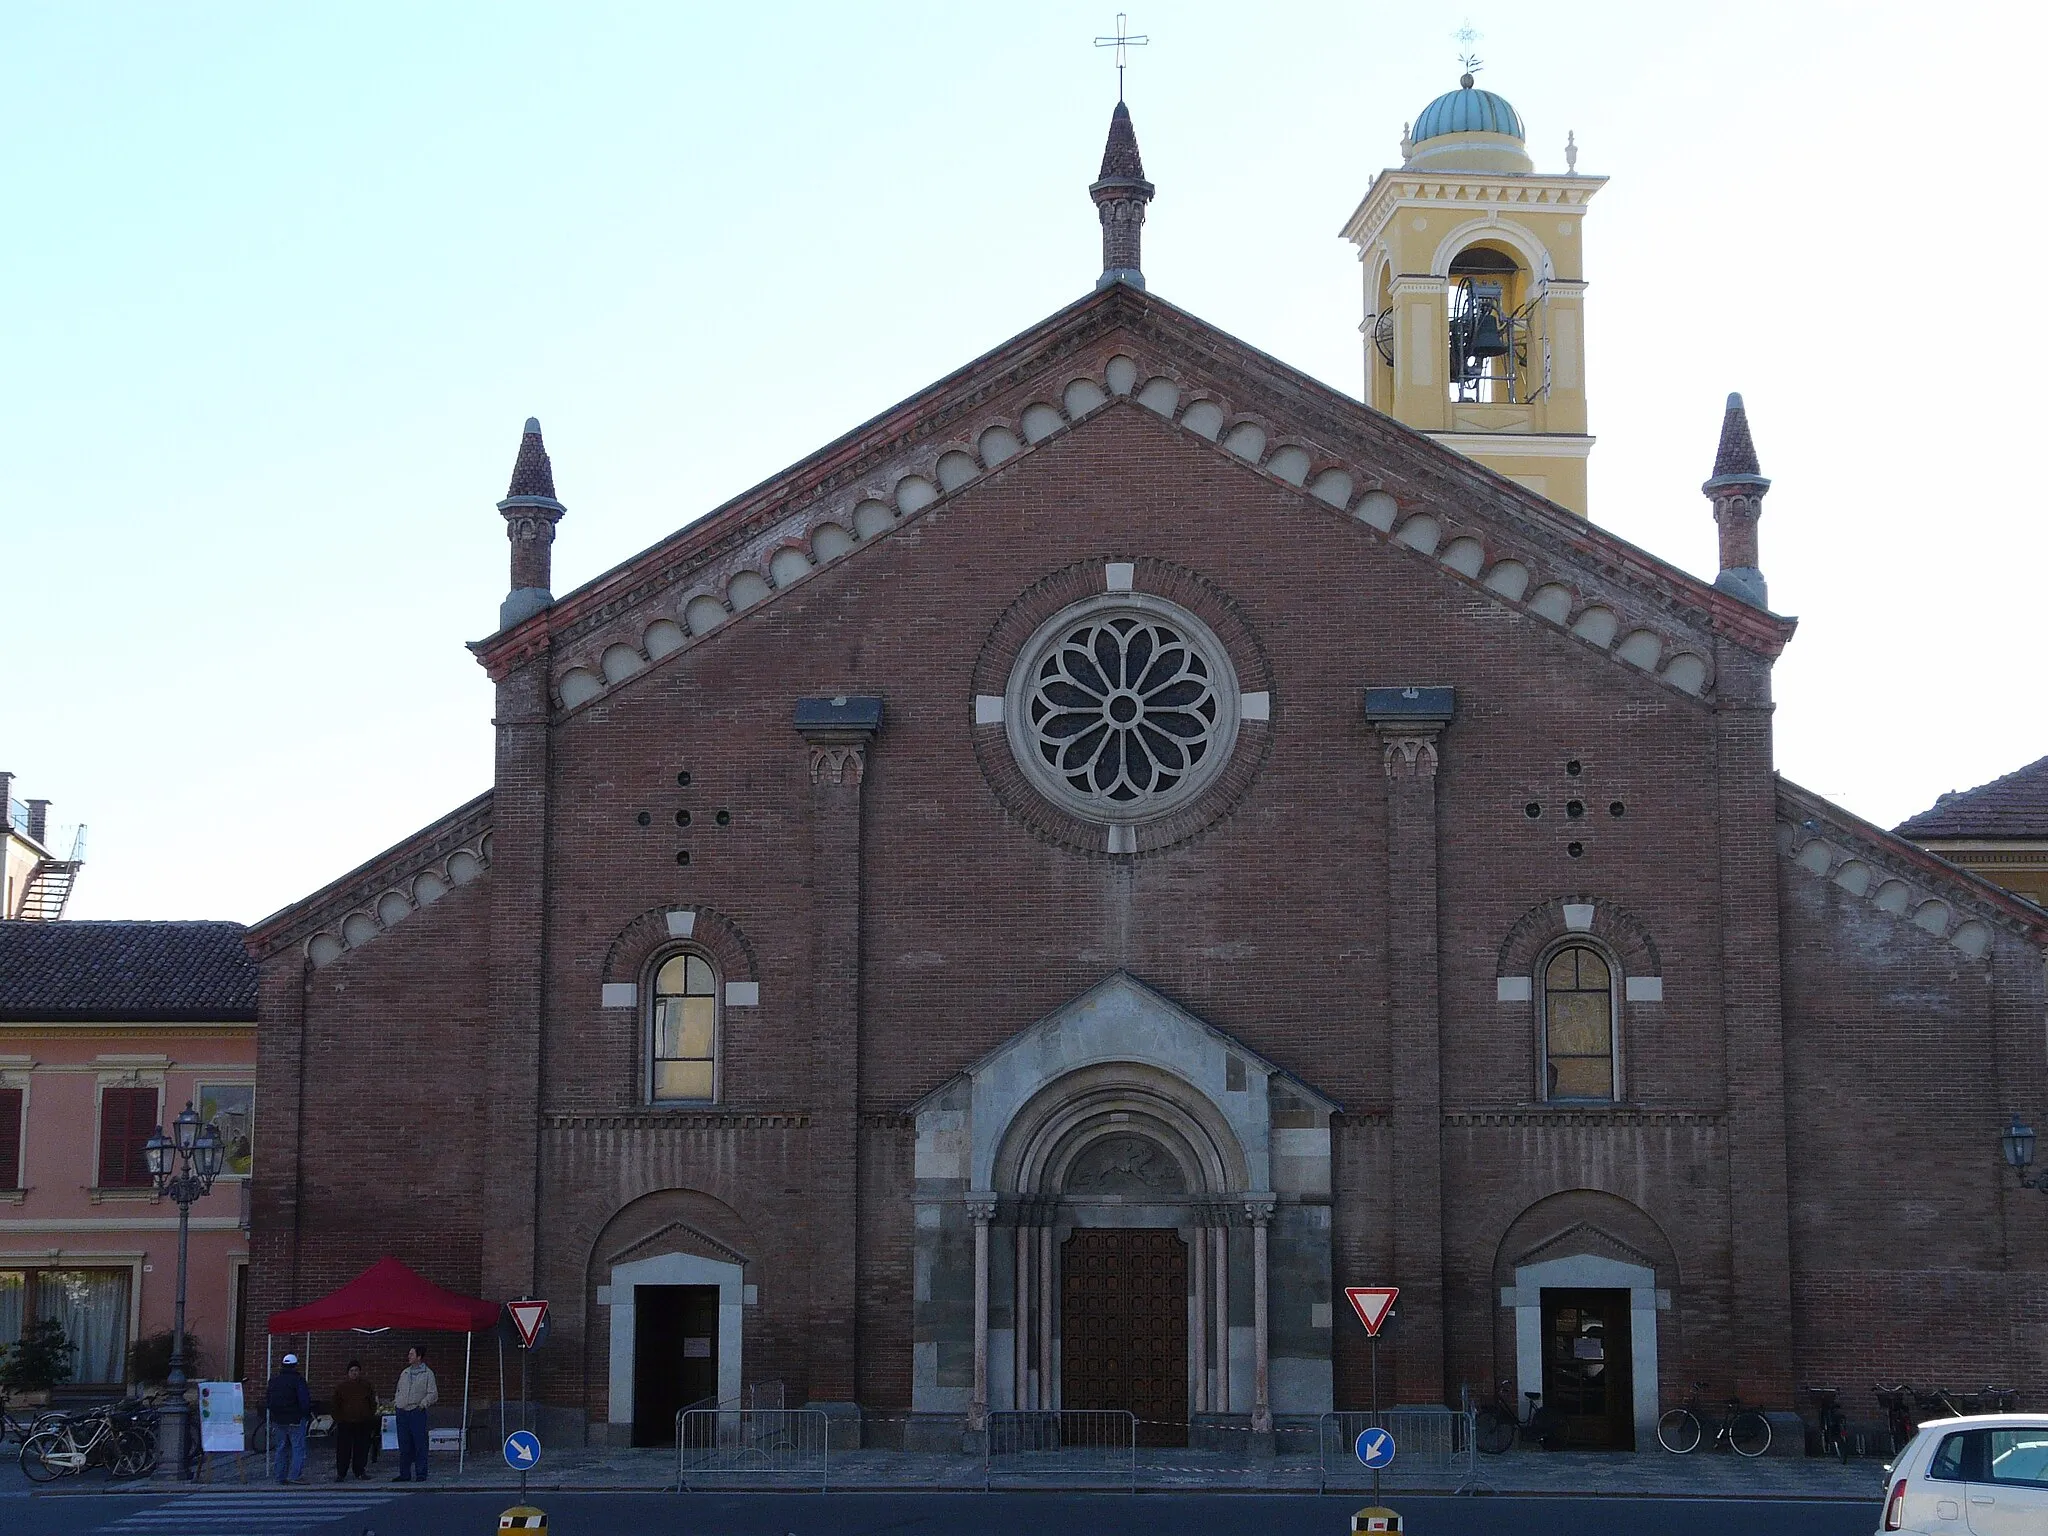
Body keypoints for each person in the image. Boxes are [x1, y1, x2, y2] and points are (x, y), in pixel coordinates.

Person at [391, 1344, 438, 1483]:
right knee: (404, 1444)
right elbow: (399, 1390)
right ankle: (404, 1474)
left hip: (416, 1411)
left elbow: (433, 1393)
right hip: (402, 1411)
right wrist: (397, 1403)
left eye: (411, 1354)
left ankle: (421, 1473)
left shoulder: (427, 1374)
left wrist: (423, 1405)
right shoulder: (404, 1373)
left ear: (419, 1357)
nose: (409, 1357)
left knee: (419, 1444)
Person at [265, 1352, 310, 1484]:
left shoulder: (274, 1380)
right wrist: (305, 1414)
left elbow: (268, 1399)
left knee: (281, 1447)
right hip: (295, 1419)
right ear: (295, 1365)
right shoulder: (298, 1380)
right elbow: (304, 1400)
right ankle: (295, 1475)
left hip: (278, 1419)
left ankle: (280, 1476)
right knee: (298, 1448)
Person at [329, 1360, 377, 1480]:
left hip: (362, 1421)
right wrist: (339, 1418)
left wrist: (369, 1415)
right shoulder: (341, 1387)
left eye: (356, 1370)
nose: (354, 1373)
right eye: (352, 1371)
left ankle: (360, 1470)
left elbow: (372, 1402)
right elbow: (335, 1404)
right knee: (343, 1450)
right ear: (348, 1373)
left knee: (361, 1448)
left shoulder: (366, 1385)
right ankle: (341, 1473)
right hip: (346, 1422)